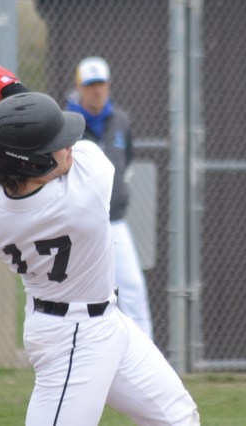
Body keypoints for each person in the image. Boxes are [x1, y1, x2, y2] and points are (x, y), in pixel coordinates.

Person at [0, 62, 200, 425]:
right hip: (72, 338)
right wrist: (10, 88)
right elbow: (83, 150)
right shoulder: (86, 192)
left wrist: (12, 114)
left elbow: (6, 168)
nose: (69, 144)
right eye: (58, 145)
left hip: (100, 322)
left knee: (177, 417)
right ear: (36, 163)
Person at [67, 56, 153, 339]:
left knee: (133, 289)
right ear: (79, 86)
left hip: (114, 222)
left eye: (101, 84)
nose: (97, 91)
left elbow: (126, 159)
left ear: (109, 86)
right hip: (77, 226)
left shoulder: (121, 121)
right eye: (91, 85)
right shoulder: (66, 122)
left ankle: (147, 364)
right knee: (80, 297)